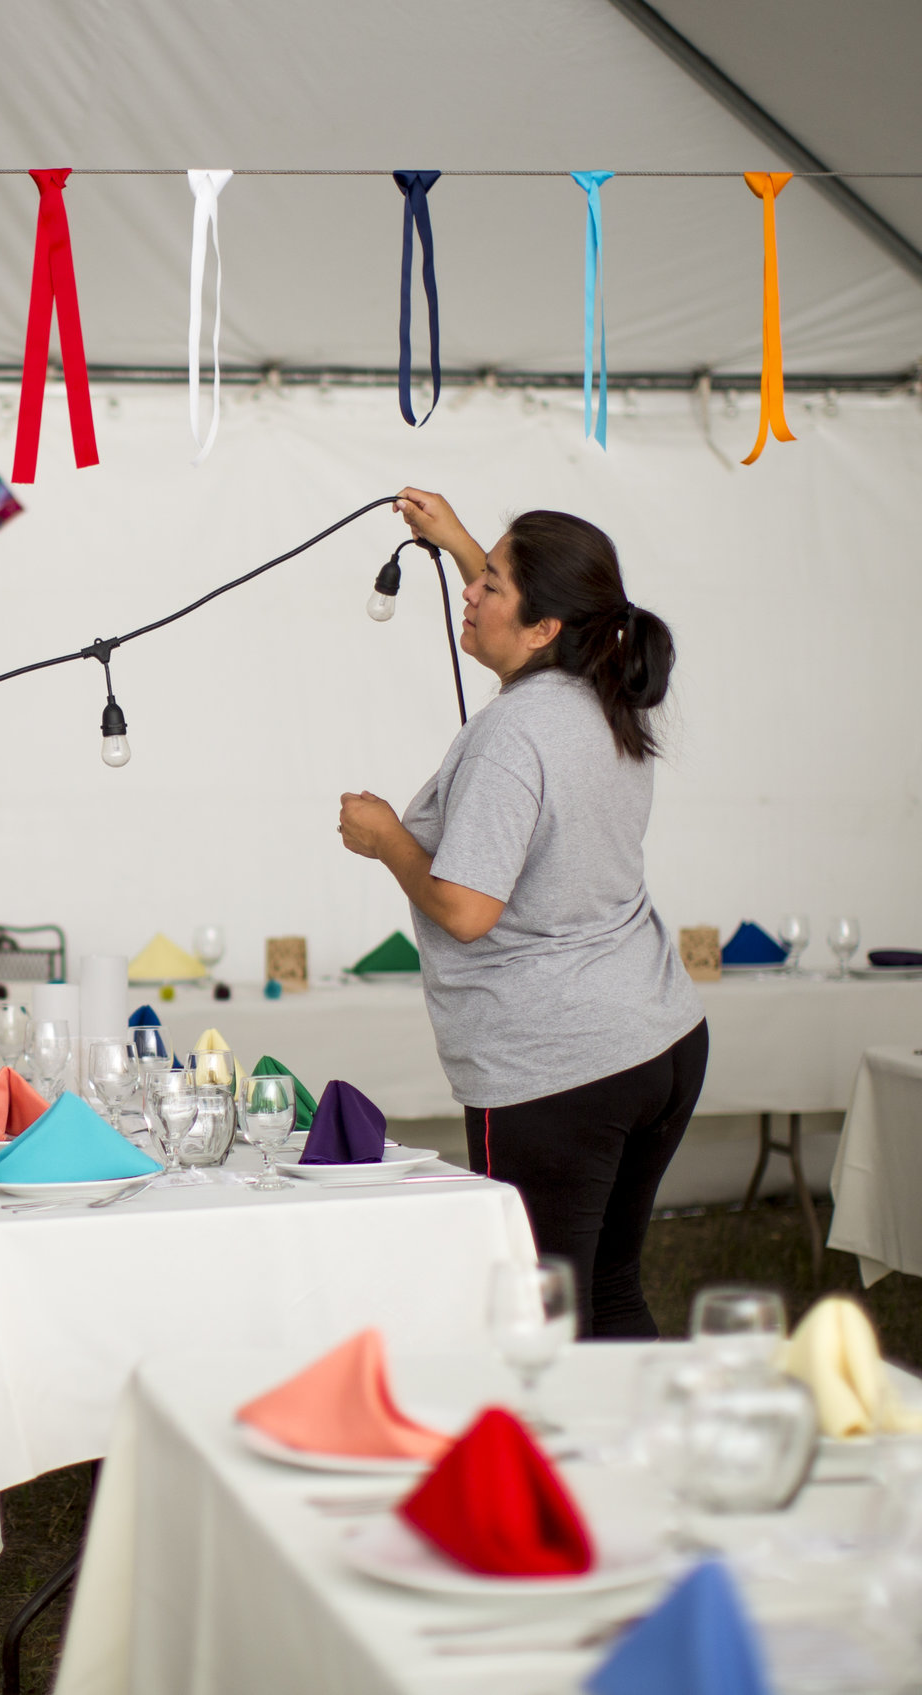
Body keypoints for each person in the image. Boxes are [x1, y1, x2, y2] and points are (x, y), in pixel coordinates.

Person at [337, 489, 705, 1338]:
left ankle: (560, 1469)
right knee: (604, 1292)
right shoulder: (601, 690)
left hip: (561, 1066)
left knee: (541, 1315)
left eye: (490, 584)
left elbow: (467, 909)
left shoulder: (516, 734)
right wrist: (463, 544)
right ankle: (639, 1464)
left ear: (543, 627)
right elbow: (536, 633)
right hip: (660, 1040)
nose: (471, 592)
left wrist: (388, 836)